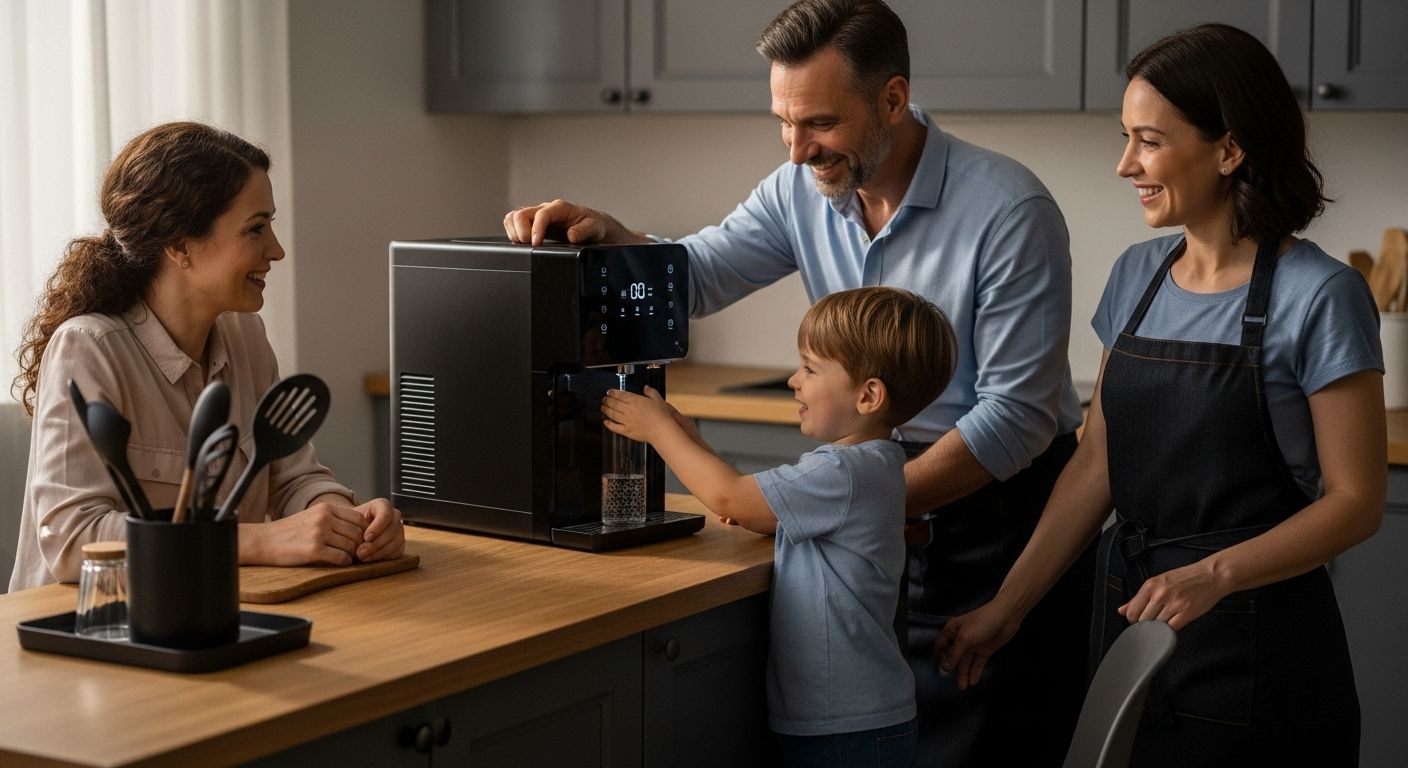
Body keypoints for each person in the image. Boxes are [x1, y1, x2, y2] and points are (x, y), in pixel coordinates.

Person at [506, 0, 1093, 762]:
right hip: (885, 502)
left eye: (817, 123)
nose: (794, 150)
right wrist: (616, 240)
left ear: (892, 99)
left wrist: (861, 500)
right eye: (782, 123)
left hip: (998, 519)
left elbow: (1013, 417)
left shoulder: (1010, 209)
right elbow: (701, 274)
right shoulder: (799, 191)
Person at [937, 24, 1384, 766]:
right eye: (1125, 137)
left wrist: (1217, 574)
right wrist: (1005, 610)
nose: (1125, 165)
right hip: (1134, 622)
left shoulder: (1322, 295)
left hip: (1260, 650)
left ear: (1229, 150)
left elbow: (1355, 501)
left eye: (1148, 140)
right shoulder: (1137, 277)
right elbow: (1094, 466)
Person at [9, 121, 405, 591]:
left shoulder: (245, 337)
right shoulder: (89, 348)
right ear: (179, 245)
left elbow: (293, 479)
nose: (275, 250)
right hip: (85, 632)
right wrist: (262, 542)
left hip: (206, 610)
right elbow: (74, 540)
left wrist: (348, 520)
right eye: (255, 229)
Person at [604, 286, 955, 766]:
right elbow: (751, 500)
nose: (794, 380)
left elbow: (733, 498)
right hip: (860, 717)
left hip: (844, 726)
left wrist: (658, 431)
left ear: (868, 395)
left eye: (810, 369)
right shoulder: (875, 464)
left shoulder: (843, 471)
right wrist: (696, 444)